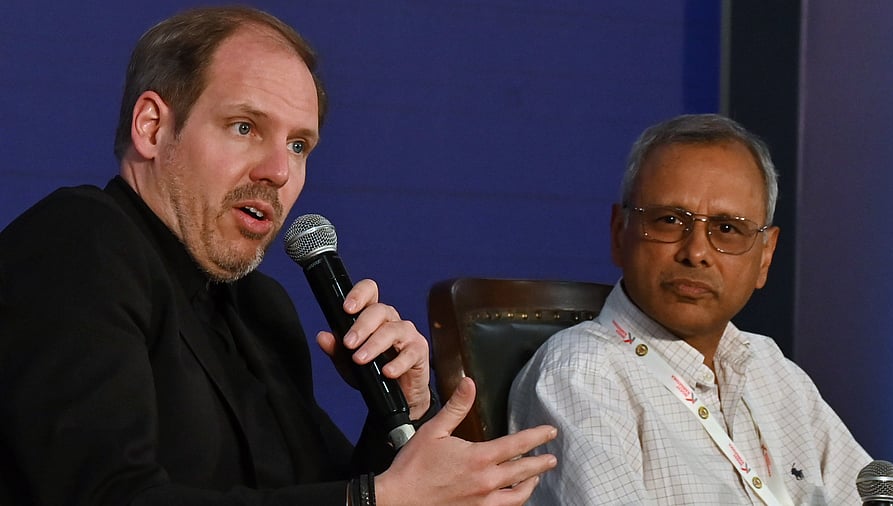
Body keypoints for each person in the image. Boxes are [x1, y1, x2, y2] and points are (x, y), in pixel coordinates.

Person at [0, 6, 558, 505]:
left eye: (299, 145)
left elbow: (318, 489)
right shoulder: (77, 242)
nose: (279, 172)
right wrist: (378, 500)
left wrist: (397, 415)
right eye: (245, 127)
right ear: (152, 127)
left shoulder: (261, 307)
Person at [508, 114, 871, 505]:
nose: (696, 252)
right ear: (618, 234)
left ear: (765, 256)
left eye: (727, 228)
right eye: (669, 220)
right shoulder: (583, 374)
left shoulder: (774, 371)